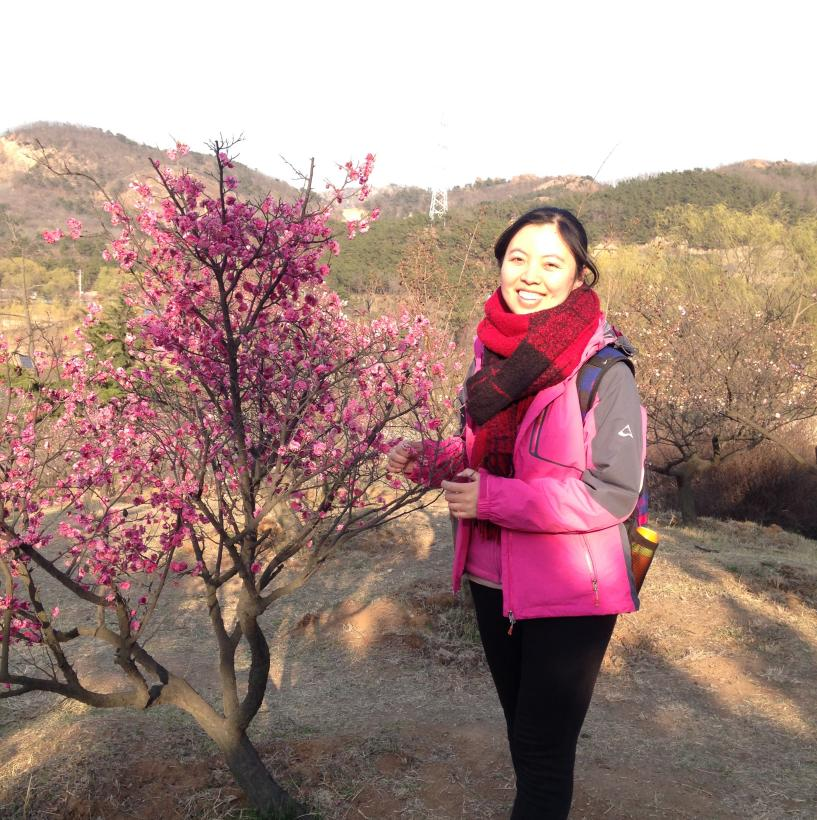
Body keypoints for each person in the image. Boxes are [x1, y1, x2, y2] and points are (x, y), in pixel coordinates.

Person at [387, 207, 645, 819]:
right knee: (523, 733)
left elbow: (613, 492)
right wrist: (432, 460)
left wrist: (494, 500)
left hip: (572, 588)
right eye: (518, 258)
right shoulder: (490, 353)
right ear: (501, 263)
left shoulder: (603, 369)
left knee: (542, 749)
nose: (530, 274)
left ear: (579, 276)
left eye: (551, 263)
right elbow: (484, 454)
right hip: (493, 577)